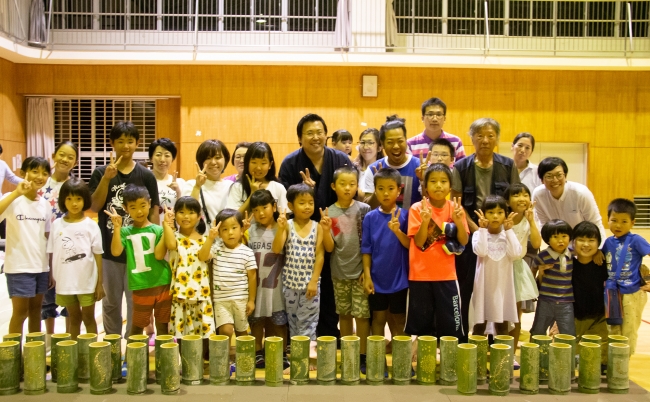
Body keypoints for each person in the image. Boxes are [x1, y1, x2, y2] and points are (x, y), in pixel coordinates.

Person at [278, 114, 349, 339]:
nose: (315, 137)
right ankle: (299, 339)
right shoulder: (290, 164)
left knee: (330, 285)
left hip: (336, 233)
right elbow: (288, 203)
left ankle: (328, 335)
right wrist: (309, 191)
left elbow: (349, 193)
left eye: (319, 132)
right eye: (309, 133)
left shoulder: (340, 160)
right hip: (301, 236)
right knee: (301, 289)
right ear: (300, 138)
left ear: (326, 135)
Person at [451, 117, 520, 340]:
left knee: (499, 291)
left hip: (501, 238)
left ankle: (497, 342)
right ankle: (469, 339)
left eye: (490, 135)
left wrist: (501, 227)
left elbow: (515, 200)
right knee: (470, 287)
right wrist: (477, 228)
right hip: (473, 236)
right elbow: (457, 204)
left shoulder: (507, 165)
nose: (485, 140)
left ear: (497, 139)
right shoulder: (461, 167)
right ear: (472, 138)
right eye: (479, 135)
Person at [89, 121, 160, 337]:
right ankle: (111, 347)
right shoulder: (101, 172)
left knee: (135, 303)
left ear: (137, 143)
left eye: (130, 141)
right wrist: (106, 179)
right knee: (110, 303)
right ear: (112, 143)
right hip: (110, 250)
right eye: (120, 141)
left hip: (138, 252)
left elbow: (154, 211)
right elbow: (94, 206)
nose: (126, 146)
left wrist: (156, 245)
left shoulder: (146, 175)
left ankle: (132, 349)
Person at [405, 164, 468, 340]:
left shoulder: (456, 208)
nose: (438, 185)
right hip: (420, 276)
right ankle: (421, 364)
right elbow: (418, 242)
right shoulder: (417, 208)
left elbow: (464, 241)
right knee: (420, 326)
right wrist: (425, 222)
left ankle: (450, 365)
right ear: (425, 186)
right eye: (433, 181)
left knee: (451, 325)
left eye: (443, 181)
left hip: (447, 275)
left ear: (450, 186)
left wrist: (457, 219)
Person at [321, 166, 370, 369]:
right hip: (339, 272)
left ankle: (363, 355)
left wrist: (366, 272)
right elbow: (330, 247)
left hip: (360, 273)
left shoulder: (364, 210)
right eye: (343, 184)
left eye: (352, 184)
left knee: (362, 315)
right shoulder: (329, 212)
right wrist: (324, 230)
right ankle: (349, 353)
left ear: (357, 186)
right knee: (344, 314)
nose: (347, 188)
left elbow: (369, 242)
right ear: (333, 186)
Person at [106, 184, 171, 337]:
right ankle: (131, 361)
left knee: (163, 327)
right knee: (137, 327)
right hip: (140, 286)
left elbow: (160, 255)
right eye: (133, 207)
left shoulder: (159, 230)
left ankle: (164, 361)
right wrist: (116, 228)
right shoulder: (124, 232)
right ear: (125, 208)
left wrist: (167, 226)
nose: (139, 211)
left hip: (163, 284)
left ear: (149, 203)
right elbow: (116, 252)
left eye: (143, 205)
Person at [361, 168, 409, 359]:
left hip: (400, 280)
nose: (386, 193)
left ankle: (402, 363)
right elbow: (366, 249)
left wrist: (398, 231)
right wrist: (367, 275)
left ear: (399, 190)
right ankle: (377, 362)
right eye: (381, 188)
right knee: (378, 320)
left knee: (399, 321)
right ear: (375, 190)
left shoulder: (405, 215)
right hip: (377, 280)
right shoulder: (370, 217)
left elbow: (410, 245)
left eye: (391, 188)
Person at [46, 178, 104, 339]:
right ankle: (75, 356)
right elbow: (51, 253)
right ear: (63, 200)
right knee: (74, 318)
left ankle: (93, 355)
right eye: (69, 199)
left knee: (88, 318)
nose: (74, 203)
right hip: (65, 282)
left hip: (86, 283)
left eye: (78, 198)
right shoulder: (57, 224)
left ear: (85, 200)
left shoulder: (91, 225)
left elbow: (98, 255)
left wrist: (100, 283)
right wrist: (50, 276)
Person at [0, 157, 52, 334]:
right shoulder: (12, 198)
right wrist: (16, 193)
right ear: (23, 173)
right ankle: (12, 359)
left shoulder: (45, 204)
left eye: (45, 173)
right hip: (19, 267)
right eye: (35, 171)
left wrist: (49, 268)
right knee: (20, 313)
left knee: (36, 312)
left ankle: (33, 358)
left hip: (41, 267)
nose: (40, 176)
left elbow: (46, 237)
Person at [272, 184, 324, 342]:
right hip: (290, 284)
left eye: (311, 202)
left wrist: (314, 280)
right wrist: (280, 229)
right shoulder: (287, 226)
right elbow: (276, 249)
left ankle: (310, 356)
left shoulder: (318, 227)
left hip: (310, 285)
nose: (307, 206)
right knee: (293, 323)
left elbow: (320, 255)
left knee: (308, 323)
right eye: (302, 203)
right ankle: (298, 356)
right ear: (290, 206)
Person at [39, 141, 78, 344]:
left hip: (67, 250)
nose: (65, 159)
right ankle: (49, 338)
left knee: (69, 297)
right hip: (42, 248)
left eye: (70, 157)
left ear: (75, 162)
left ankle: (70, 340)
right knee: (47, 296)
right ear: (54, 155)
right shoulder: (41, 183)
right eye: (62, 154)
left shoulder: (73, 186)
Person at [199, 209, 257, 340]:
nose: (230, 232)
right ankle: (222, 360)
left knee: (242, 333)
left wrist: (252, 300)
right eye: (224, 229)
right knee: (226, 331)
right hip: (221, 300)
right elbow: (202, 256)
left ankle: (244, 360)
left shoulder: (247, 252)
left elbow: (252, 277)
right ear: (219, 233)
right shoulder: (216, 249)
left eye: (234, 228)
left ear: (242, 230)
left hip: (241, 299)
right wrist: (210, 238)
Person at [603, 198, 650, 356]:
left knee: (629, 330)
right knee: (613, 328)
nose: (618, 225)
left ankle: (624, 363)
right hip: (612, 292)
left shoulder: (636, 240)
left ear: (632, 223)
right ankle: (613, 362)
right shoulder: (608, 242)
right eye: (614, 220)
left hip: (632, 292)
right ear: (607, 220)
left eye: (624, 221)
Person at [532, 157, 607, 256]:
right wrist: (553, 248)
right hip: (559, 246)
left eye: (559, 175)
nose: (555, 180)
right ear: (542, 180)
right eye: (549, 176)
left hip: (584, 243)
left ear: (565, 176)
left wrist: (599, 249)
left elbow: (595, 222)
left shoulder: (581, 193)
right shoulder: (538, 195)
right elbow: (545, 225)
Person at [247, 190, 288, 369]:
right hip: (256, 286)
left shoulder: (283, 226)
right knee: (257, 322)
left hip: (277, 286)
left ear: (274, 206)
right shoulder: (249, 229)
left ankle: (279, 352)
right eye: (256, 210)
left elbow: (279, 249)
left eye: (265, 207)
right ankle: (257, 353)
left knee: (278, 322)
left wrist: (281, 227)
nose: (261, 213)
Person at [163, 196, 215, 340]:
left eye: (191, 212)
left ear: (199, 216)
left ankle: (201, 361)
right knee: (181, 335)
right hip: (181, 294)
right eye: (181, 212)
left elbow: (205, 258)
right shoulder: (174, 237)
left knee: (205, 333)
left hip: (202, 293)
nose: (186, 216)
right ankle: (182, 362)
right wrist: (166, 223)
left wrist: (210, 238)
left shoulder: (205, 239)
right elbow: (171, 245)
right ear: (175, 215)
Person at [472, 195, 521, 336]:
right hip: (483, 288)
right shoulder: (478, 234)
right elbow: (481, 252)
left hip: (503, 289)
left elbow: (516, 253)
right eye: (491, 212)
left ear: (506, 214)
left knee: (502, 325)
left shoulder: (508, 236)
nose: (495, 216)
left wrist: (509, 230)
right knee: (479, 325)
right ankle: (476, 357)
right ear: (483, 213)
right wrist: (481, 230)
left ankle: (503, 357)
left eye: (500, 213)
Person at [503, 183, 540, 351]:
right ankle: (498, 348)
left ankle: (511, 350)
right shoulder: (502, 217)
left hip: (518, 267)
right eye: (517, 195)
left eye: (526, 195)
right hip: (501, 267)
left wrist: (531, 221)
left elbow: (537, 243)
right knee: (500, 312)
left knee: (516, 314)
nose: (522, 198)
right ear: (507, 201)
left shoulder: (529, 218)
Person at [361, 115, 422, 210]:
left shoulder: (419, 167)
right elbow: (369, 208)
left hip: (412, 224)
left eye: (400, 141)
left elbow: (430, 204)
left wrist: (423, 180)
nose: (396, 146)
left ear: (406, 140)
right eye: (390, 142)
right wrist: (379, 184)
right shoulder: (373, 169)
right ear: (382, 144)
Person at [571, 221, 608, 367]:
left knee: (598, 362)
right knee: (568, 360)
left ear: (598, 243)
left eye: (591, 240)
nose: (586, 244)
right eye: (581, 240)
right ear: (573, 242)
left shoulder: (603, 262)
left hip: (599, 318)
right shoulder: (567, 264)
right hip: (574, 318)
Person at [530, 219, 576, 336]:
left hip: (566, 302)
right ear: (547, 239)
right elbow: (532, 272)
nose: (560, 240)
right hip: (545, 300)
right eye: (555, 237)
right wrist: (539, 274)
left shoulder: (573, 254)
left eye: (564, 236)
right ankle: (534, 354)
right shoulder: (542, 256)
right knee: (538, 331)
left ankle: (565, 354)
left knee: (568, 333)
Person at [226, 142, 288, 214]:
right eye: (254, 162)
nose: (258, 168)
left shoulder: (278, 188)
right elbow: (234, 218)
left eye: (263, 163)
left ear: (270, 165)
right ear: (247, 163)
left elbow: (285, 215)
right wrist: (252, 194)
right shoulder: (238, 187)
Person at [183, 139, 233, 224]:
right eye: (208, 158)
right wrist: (197, 186)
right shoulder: (191, 185)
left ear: (225, 159)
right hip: (201, 236)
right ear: (201, 162)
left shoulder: (232, 186)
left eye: (217, 157)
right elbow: (187, 213)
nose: (213, 162)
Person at [406, 97, 465, 161]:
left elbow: (461, 169)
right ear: (422, 118)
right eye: (430, 114)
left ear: (444, 119)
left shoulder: (456, 142)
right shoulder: (411, 144)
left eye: (439, 115)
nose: (434, 119)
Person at [149, 138, 185, 221]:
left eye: (167, 155)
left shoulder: (181, 183)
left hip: (174, 231)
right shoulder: (144, 182)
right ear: (151, 158)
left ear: (172, 159)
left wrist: (178, 192)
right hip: (152, 231)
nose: (162, 160)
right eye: (158, 155)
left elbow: (184, 210)